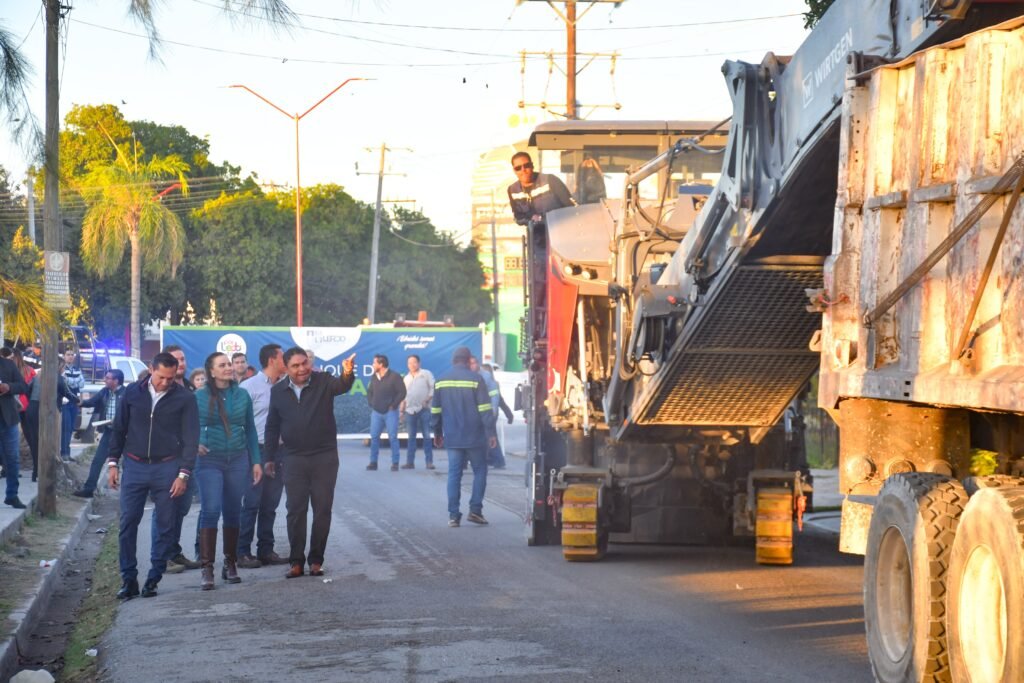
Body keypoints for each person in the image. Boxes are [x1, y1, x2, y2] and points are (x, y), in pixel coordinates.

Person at [107, 352, 199, 600]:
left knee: (165, 525)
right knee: (128, 522)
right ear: (151, 369)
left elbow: (191, 439)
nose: (165, 382)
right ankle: (128, 579)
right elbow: (119, 429)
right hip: (134, 466)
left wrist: (183, 474)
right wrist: (113, 463)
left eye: (171, 378)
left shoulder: (185, 398)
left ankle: (153, 578)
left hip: (168, 467)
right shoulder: (132, 392)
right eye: (161, 377)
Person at [265, 348, 355, 578]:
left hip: (324, 456)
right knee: (295, 510)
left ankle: (316, 560)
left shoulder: (323, 381)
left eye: (304, 363)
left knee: (322, 509)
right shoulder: (278, 391)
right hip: (293, 457)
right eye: (295, 366)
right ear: (286, 368)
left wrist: (347, 373)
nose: (302, 368)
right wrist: (269, 458)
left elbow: (342, 385)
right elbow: (272, 426)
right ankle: (296, 562)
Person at [194, 352, 262, 590]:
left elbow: (250, 429)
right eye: (222, 365)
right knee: (211, 510)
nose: (228, 368)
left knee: (233, 511)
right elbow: (186, 426)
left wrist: (256, 461)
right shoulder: (199, 396)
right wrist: (194, 443)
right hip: (209, 460)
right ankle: (207, 568)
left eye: (229, 364)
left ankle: (230, 563)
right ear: (211, 371)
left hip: (238, 458)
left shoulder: (242, 395)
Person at [431, 346, 497, 527]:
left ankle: (453, 516)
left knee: (454, 474)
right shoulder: (476, 379)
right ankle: (475, 511)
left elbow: (435, 410)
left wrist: (437, 433)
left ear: (453, 360)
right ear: (468, 361)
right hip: (475, 436)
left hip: (452, 436)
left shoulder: (441, 380)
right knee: (480, 471)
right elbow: (485, 409)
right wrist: (491, 433)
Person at [237, 343, 289, 568]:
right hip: (256, 450)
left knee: (271, 503)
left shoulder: (287, 386)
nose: (286, 361)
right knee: (252, 502)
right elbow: (238, 421)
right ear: (272, 360)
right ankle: (242, 552)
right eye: (283, 357)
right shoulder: (249, 387)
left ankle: (266, 550)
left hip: (279, 451)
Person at [159, 344, 200, 574]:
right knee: (165, 509)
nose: (181, 364)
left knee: (182, 508)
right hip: (167, 460)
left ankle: (173, 551)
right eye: (176, 360)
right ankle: (162, 556)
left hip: (189, 460)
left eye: (182, 359)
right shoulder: (161, 389)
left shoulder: (190, 388)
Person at [73, 369, 126, 498]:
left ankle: (130, 491)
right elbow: (92, 401)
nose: (105, 380)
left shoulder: (126, 393)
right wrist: (81, 402)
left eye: (108, 378)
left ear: (116, 381)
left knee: (128, 463)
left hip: (124, 433)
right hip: (108, 431)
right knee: (98, 460)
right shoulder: (105, 392)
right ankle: (89, 489)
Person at [25, 362, 78, 482]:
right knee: (48, 442)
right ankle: (45, 471)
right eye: (63, 367)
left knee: (35, 441)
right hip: (48, 410)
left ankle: (35, 471)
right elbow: (68, 393)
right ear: (60, 367)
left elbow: (27, 389)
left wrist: (32, 402)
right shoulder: (58, 378)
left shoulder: (37, 376)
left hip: (32, 408)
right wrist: (79, 401)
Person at [507, 151, 575, 226]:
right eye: (518, 168)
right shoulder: (512, 190)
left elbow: (571, 207)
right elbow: (518, 216)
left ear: (532, 166)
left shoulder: (550, 180)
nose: (523, 170)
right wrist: (531, 218)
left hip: (559, 228)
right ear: (514, 171)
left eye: (526, 165)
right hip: (535, 232)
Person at [471, 359, 514, 469]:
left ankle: (497, 460)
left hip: (488, 412)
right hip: (485, 412)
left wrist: (495, 411)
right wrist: (508, 414)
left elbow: (497, 399)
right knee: (487, 436)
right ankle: (492, 460)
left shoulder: (486, 378)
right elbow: (501, 401)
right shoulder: (487, 380)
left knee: (489, 436)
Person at [366, 354, 406, 472]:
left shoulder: (394, 376)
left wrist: (394, 405)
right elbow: (370, 392)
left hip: (390, 412)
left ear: (381, 364)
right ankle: (373, 463)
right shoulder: (374, 376)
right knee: (374, 437)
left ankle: (395, 463)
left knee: (393, 437)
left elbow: (402, 392)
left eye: (374, 363)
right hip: (376, 412)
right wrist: (371, 403)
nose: (373, 365)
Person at [0, 352, 29, 509]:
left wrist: (9, 387)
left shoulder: (8, 364)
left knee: (12, 458)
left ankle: (12, 495)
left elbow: (23, 386)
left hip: (8, 419)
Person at [400, 354, 434, 470]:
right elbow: (404, 396)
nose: (412, 365)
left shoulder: (426, 374)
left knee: (427, 436)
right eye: (409, 363)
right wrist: (401, 411)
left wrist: (427, 399)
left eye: (414, 362)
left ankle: (429, 462)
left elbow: (433, 388)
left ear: (419, 363)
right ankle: (410, 462)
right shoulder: (406, 378)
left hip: (424, 409)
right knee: (411, 438)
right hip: (410, 410)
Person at [61, 349, 85, 460]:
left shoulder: (77, 369)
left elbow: (82, 384)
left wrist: (71, 381)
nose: (70, 356)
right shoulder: (62, 369)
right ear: (64, 356)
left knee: (71, 428)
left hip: (74, 402)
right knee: (65, 428)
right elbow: (66, 382)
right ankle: (64, 453)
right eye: (68, 354)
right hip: (65, 401)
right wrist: (75, 381)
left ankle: (67, 453)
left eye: (72, 355)